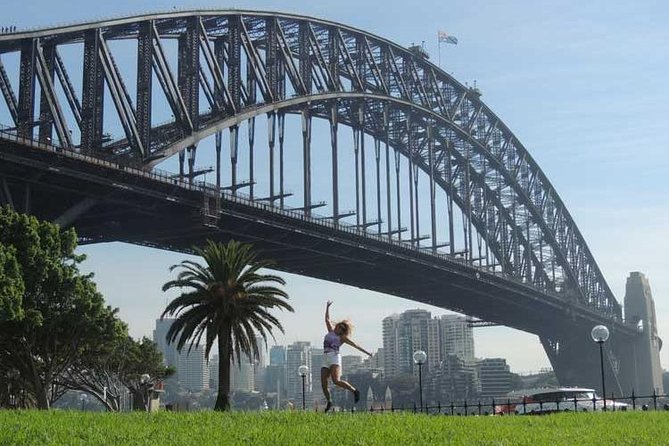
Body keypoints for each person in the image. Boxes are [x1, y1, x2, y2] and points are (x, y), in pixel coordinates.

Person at [321, 300, 372, 412]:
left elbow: (355, 345)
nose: (336, 327)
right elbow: (327, 319)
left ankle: (354, 391)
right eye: (337, 325)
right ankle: (329, 401)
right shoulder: (330, 331)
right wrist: (327, 307)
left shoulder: (342, 338)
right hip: (325, 358)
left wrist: (368, 353)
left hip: (334, 357)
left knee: (336, 380)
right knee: (323, 383)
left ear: (342, 330)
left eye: (339, 327)